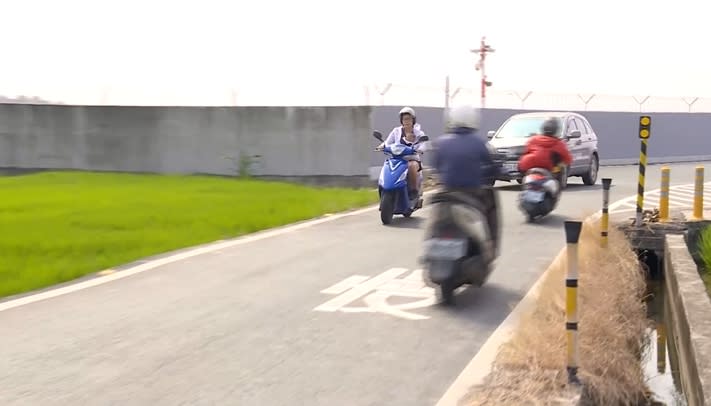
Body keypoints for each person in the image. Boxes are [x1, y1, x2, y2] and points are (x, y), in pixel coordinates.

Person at [430, 104, 501, 256]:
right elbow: (491, 166)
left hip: (446, 193)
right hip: (472, 194)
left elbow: (436, 166)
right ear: (473, 120)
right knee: (492, 206)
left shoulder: (441, 142)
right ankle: (491, 248)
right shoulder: (479, 143)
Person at [378, 107, 429, 198]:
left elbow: (423, 143)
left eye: (409, 119)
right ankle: (385, 189)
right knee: (387, 165)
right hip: (397, 158)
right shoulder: (396, 131)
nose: (406, 121)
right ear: (401, 121)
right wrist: (382, 146)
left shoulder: (418, 132)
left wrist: (420, 149)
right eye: (404, 119)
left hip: (412, 159)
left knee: (411, 166)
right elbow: (388, 142)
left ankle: (413, 191)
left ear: (413, 120)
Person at [517, 117, 573, 190]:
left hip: (527, 166)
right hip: (547, 168)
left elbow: (526, 151)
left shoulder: (533, 139)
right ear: (556, 130)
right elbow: (568, 159)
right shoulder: (558, 143)